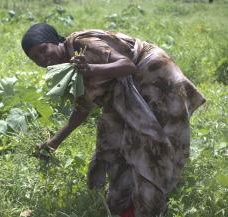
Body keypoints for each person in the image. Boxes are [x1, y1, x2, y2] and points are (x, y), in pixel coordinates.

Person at [21, 23, 205, 217]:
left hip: (155, 78)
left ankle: (147, 205)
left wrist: (90, 68)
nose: (42, 59)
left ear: (54, 41)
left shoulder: (80, 44)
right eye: (35, 58)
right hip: (129, 87)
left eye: (43, 50)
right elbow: (82, 108)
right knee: (112, 136)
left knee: (150, 144)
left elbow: (127, 65)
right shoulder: (70, 66)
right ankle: (123, 201)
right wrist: (54, 142)